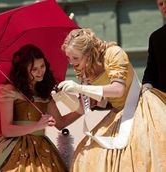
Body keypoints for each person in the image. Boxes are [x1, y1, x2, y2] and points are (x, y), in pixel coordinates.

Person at [58, 28, 166, 172]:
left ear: (88, 53)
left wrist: (79, 88)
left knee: (141, 154)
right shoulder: (84, 68)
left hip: (140, 108)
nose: (72, 63)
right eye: (69, 58)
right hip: (117, 113)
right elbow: (84, 108)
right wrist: (65, 98)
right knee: (87, 154)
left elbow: (118, 89)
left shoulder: (113, 53)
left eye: (75, 58)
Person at [0, 44, 83, 172]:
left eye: (42, 66)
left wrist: (81, 110)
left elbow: (60, 123)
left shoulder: (44, 90)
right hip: (13, 150)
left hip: (42, 149)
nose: (40, 71)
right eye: (34, 69)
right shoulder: (9, 90)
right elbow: (7, 130)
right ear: (23, 70)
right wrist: (37, 126)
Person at [142, 0, 166, 93]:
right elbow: (151, 69)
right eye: (160, 4)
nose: (164, 6)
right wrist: (146, 85)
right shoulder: (156, 37)